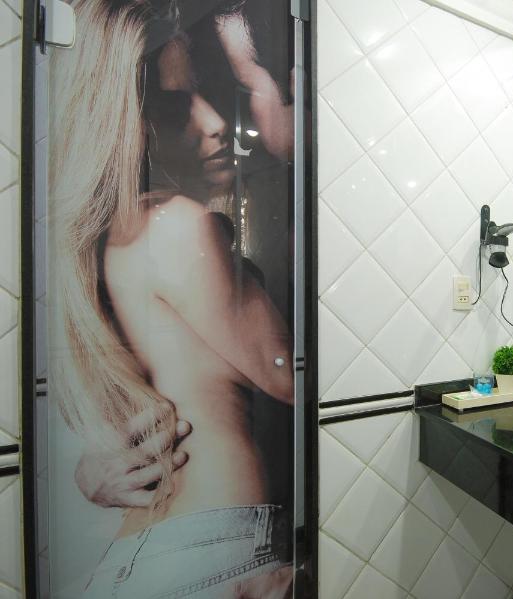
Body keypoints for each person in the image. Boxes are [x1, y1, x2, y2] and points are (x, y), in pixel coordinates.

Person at [49, 1, 294, 596]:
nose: (214, 121)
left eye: (209, 92)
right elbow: (296, 378)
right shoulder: (179, 225)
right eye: (177, 103)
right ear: (125, 120)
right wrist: (289, 142)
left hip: (150, 555)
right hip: (218, 547)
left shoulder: (116, 240)